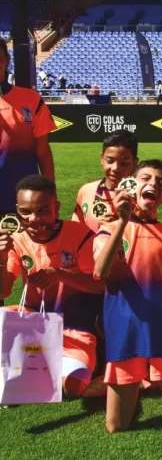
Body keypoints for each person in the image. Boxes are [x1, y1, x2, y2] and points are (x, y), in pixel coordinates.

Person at [93, 160, 162, 433]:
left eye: (160, 182)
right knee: (117, 426)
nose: (153, 184)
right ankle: (137, 381)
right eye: (146, 178)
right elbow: (101, 270)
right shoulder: (109, 228)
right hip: (126, 330)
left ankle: (150, 379)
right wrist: (123, 221)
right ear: (130, 186)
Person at [0, 175, 105, 398]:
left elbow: (99, 287)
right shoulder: (15, 240)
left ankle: (105, 369)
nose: (34, 218)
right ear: (17, 210)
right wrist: (1, 258)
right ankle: (34, 363)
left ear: (56, 207)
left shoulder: (80, 235)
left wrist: (60, 275)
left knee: (73, 388)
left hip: (75, 324)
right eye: (26, 212)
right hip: (33, 321)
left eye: (43, 210)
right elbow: (3, 291)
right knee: (2, 314)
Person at [0, 38, 56, 220]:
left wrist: (50, 193)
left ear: (7, 60)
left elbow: (43, 152)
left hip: (24, 200)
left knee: (24, 249)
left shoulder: (31, 100)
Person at [73, 130, 139, 233]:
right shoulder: (86, 191)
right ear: (102, 159)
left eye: (124, 163)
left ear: (135, 163)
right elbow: (76, 230)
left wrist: (119, 223)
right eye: (110, 161)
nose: (116, 168)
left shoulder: (140, 196)